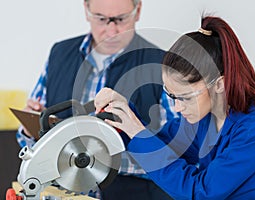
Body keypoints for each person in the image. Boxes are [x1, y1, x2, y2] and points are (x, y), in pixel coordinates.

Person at [94, 15, 255, 199]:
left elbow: (202, 192)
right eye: (172, 96)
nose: (177, 108)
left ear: (219, 84)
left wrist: (137, 132)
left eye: (185, 97)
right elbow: (158, 145)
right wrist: (123, 114)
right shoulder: (201, 116)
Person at [16, 0, 177, 199]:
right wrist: (30, 127)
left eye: (121, 19)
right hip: (59, 193)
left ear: (138, 11)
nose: (112, 30)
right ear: (86, 10)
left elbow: (175, 153)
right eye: (101, 19)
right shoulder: (58, 54)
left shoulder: (161, 65)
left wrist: (98, 161)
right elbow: (27, 139)